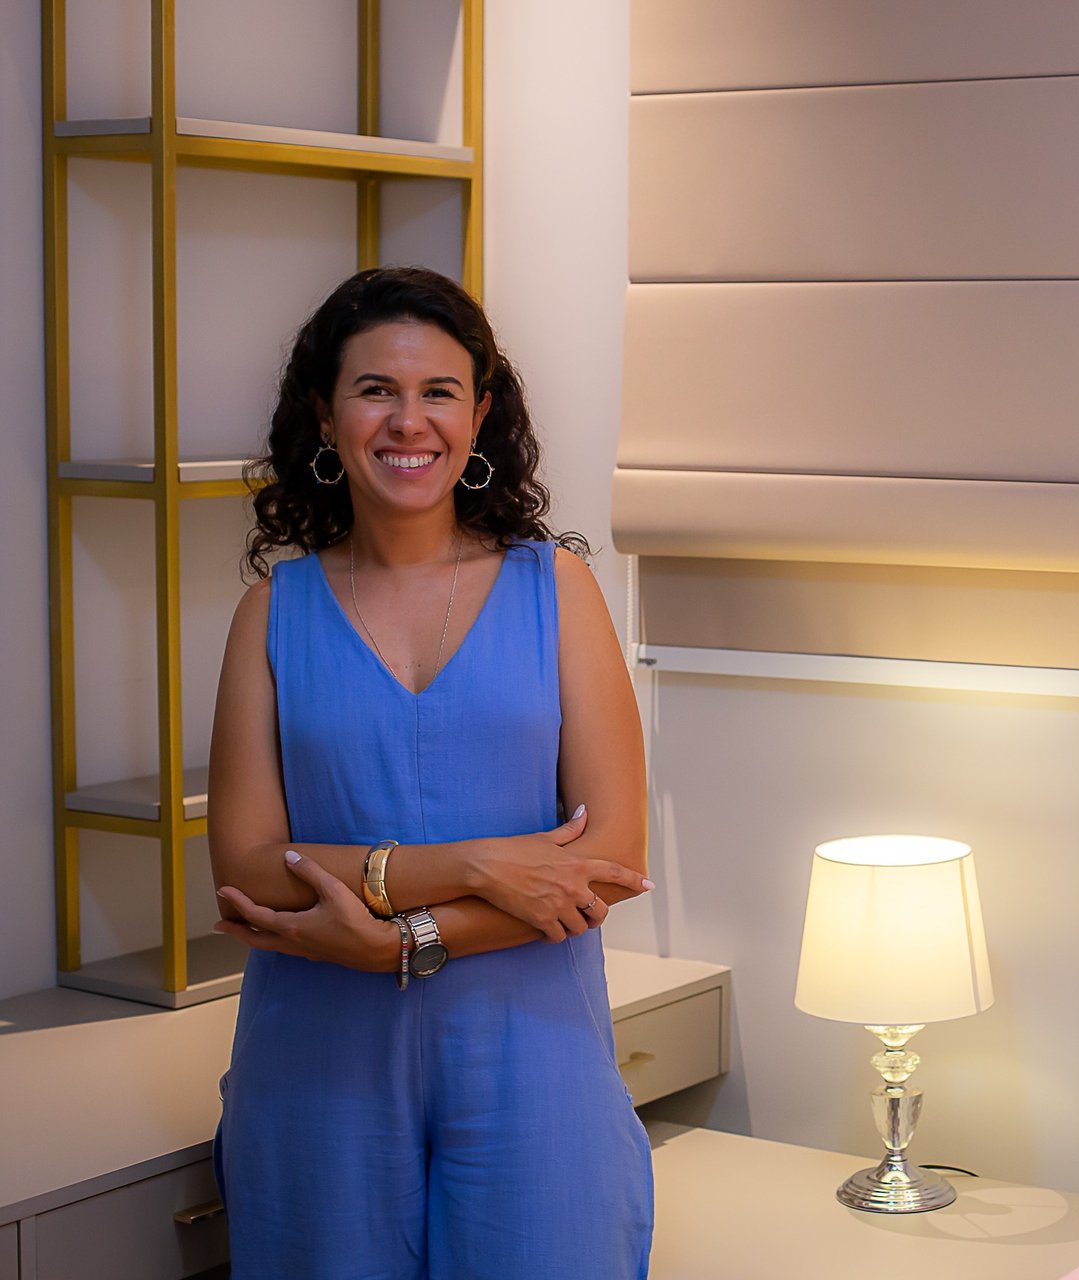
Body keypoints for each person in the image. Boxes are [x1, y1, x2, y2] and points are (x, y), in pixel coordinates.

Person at [205, 266, 655, 1279]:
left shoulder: (560, 591)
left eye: (439, 391)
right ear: (326, 415)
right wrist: (485, 865)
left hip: (534, 1067)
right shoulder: (271, 613)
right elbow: (246, 870)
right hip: (315, 1077)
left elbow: (610, 861)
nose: (409, 422)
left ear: (480, 413)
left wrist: (394, 944)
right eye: (375, 390)